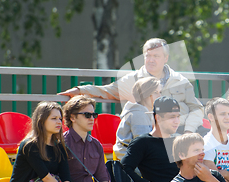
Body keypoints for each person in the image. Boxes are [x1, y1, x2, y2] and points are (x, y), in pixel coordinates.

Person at [59, 38, 205, 134]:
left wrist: (189, 131)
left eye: (156, 56)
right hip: (147, 136)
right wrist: (80, 90)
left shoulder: (180, 80)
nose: (151, 60)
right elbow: (106, 91)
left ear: (166, 58)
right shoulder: (133, 80)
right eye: (148, 56)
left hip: (179, 135)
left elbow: (197, 108)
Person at [63, 95, 139, 182]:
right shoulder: (62, 143)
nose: (92, 118)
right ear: (72, 117)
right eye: (87, 115)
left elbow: (103, 177)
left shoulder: (96, 144)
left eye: (94, 114)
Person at [6, 102, 88, 182]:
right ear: (41, 121)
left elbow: (66, 178)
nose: (59, 122)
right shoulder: (30, 145)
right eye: (54, 118)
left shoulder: (59, 146)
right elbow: (47, 178)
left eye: (60, 118)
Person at [121, 96, 181, 182]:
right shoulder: (143, 142)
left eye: (178, 116)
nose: (177, 121)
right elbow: (123, 168)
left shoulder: (179, 140)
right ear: (158, 117)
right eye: (172, 117)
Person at [114, 77, 161, 159]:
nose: (160, 96)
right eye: (156, 92)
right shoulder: (138, 114)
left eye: (160, 92)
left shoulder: (143, 111)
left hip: (134, 155)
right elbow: (145, 144)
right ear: (146, 94)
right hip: (131, 159)